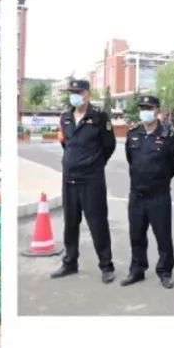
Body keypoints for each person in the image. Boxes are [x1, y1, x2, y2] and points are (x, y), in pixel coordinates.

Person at [50, 79, 116, 283]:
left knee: (97, 223)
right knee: (70, 223)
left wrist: (94, 164)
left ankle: (106, 265)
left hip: (92, 180)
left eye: (79, 92)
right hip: (70, 178)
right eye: (72, 92)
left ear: (87, 93)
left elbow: (109, 145)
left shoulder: (99, 117)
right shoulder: (66, 117)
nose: (75, 95)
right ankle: (70, 262)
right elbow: (66, 144)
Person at [121, 95, 174, 288]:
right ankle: (137, 270)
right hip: (137, 195)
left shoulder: (168, 135)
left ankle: (165, 272)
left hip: (159, 195)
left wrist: (160, 179)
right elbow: (131, 159)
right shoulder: (133, 134)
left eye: (149, 108)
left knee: (163, 236)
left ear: (157, 110)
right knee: (136, 236)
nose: (145, 111)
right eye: (143, 108)